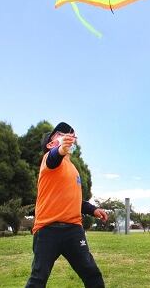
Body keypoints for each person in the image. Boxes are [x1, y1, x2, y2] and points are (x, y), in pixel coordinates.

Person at [26, 122, 109, 288]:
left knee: (92, 274)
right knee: (38, 279)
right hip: (47, 230)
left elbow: (73, 199)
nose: (65, 136)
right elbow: (54, 157)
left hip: (73, 230)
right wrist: (61, 149)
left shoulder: (73, 169)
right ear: (50, 144)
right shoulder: (48, 161)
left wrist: (93, 209)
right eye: (59, 135)